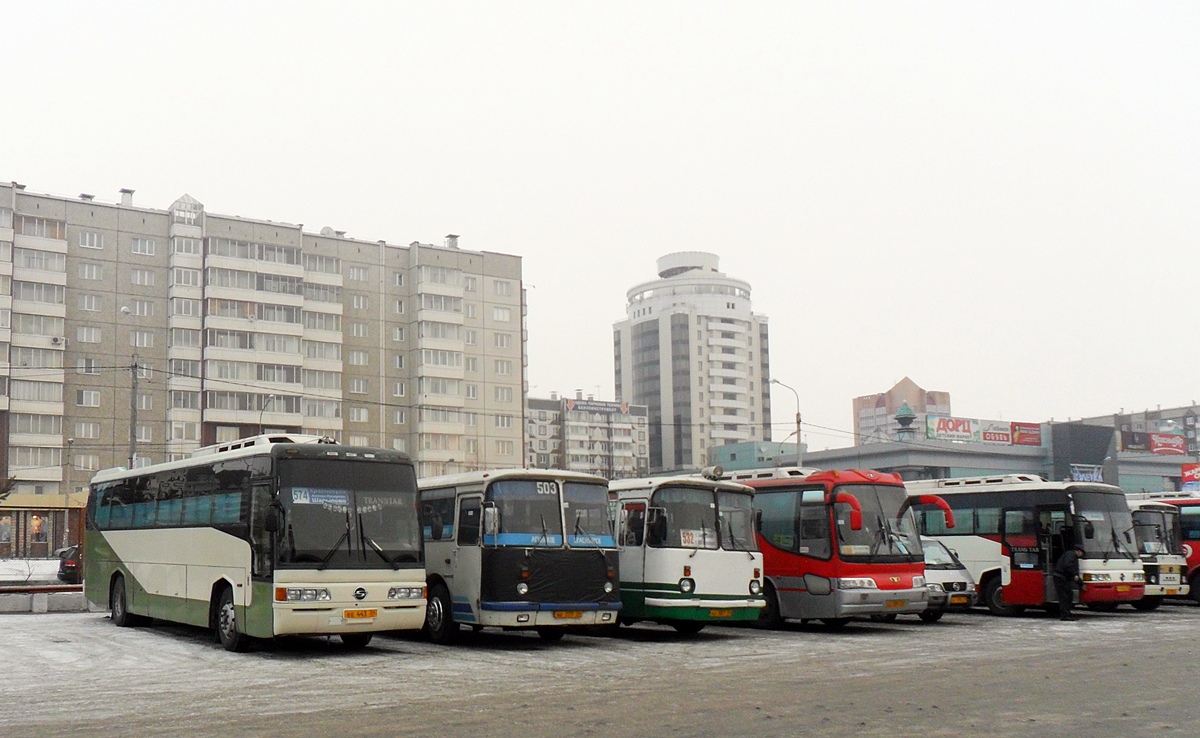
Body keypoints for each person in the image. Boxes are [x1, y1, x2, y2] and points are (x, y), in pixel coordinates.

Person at [1052, 543, 1084, 621]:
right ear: (1079, 551)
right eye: (1082, 552)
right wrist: (1075, 576)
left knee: (1069, 595)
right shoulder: (1071, 555)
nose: (1082, 554)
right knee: (1064, 597)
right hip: (1061, 577)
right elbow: (1068, 566)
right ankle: (1065, 615)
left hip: (1062, 577)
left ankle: (1067, 613)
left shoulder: (1071, 554)